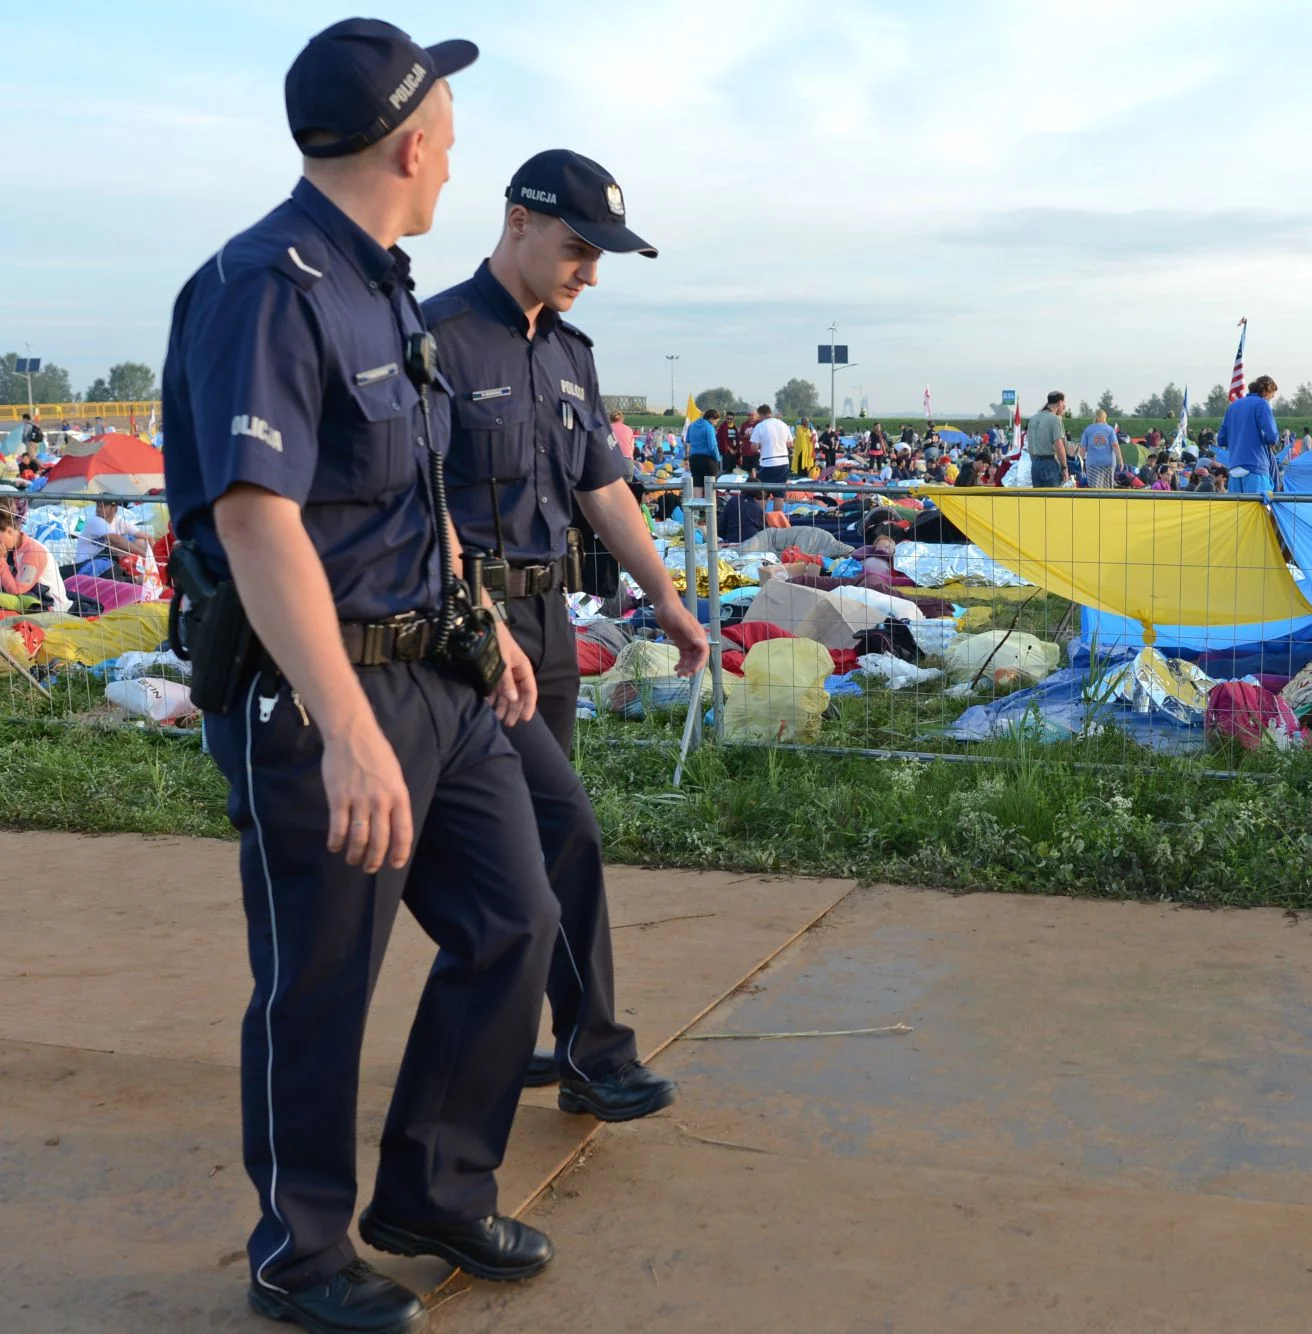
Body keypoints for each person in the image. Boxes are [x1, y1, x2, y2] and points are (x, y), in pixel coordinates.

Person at [159, 21, 563, 1332]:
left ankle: (434, 1186)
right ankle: (303, 1249)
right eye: (449, 138)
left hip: (436, 677)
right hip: (320, 696)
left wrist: (483, 616)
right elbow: (257, 518)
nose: (455, 162)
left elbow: (415, 487)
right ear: (408, 143)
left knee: (516, 921)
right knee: (323, 976)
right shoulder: (265, 286)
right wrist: (343, 726)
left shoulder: (384, 284)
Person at [424, 148, 708, 1115]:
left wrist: (665, 596)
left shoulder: (570, 355)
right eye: (579, 249)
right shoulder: (440, 342)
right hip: (470, 635)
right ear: (516, 222)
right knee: (562, 831)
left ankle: (538, 1036)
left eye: (602, 257)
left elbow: (603, 488)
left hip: (550, 626)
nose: (591, 273)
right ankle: (596, 1052)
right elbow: (426, 504)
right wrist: (477, 619)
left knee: (536, 847)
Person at [1217, 376, 1280, 493]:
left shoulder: (1232, 407)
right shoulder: (1262, 404)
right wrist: (1271, 441)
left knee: (1238, 510)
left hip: (1234, 468)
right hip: (1256, 467)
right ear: (1266, 391)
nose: (1270, 400)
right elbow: (1272, 436)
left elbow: (1221, 439)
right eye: (1272, 396)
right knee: (1259, 510)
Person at [0, 506, 68, 612]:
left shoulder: (33, 552)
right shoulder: (13, 548)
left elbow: (17, 590)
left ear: (9, 531)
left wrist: (1, 560)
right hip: (30, 598)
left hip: (50, 606)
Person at [73, 497, 152, 579]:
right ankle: (137, 577)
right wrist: (142, 554)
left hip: (106, 561)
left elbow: (148, 538)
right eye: (98, 506)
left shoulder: (119, 522)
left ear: (115, 508)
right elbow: (116, 540)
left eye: (103, 506)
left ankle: (146, 572)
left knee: (140, 542)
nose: (99, 509)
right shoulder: (95, 521)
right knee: (118, 547)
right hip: (88, 565)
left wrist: (155, 559)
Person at [749, 402, 792, 506]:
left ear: (761, 415)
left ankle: (761, 519)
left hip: (767, 463)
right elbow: (790, 444)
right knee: (779, 495)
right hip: (783, 463)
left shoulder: (760, 426)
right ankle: (777, 520)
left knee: (763, 493)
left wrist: (762, 446)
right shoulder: (783, 425)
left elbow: (754, 448)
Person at [1024, 390, 1070, 487]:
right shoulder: (1055, 419)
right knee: (1052, 499)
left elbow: (1030, 446)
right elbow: (1059, 446)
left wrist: (1035, 462)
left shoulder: (1032, 419)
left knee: (1039, 499)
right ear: (1060, 402)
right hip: (1049, 464)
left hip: (1035, 464)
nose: (1064, 407)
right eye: (1063, 404)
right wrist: (1064, 468)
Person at [684, 407, 722, 488]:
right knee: (710, 487)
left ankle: (697, 500)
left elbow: (687, 440)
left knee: (697, 486)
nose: (715, 424)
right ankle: (710, 500)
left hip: (694, 459)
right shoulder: (709, 427)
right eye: (716, 421)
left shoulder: (692, 425)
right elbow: (712, 446)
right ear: (711, 418)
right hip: (707, 460)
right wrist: (718, 458)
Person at [1080, 409, 1118, 488]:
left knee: (1094, 490)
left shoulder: (1088, 430)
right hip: (1108, 464)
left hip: (1092, 464)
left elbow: (1083, 449)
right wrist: (1120, 460)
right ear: (1105, 417)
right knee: (1107, 489)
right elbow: (1115, 445)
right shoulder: (1110, 429)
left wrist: (1080, 463)